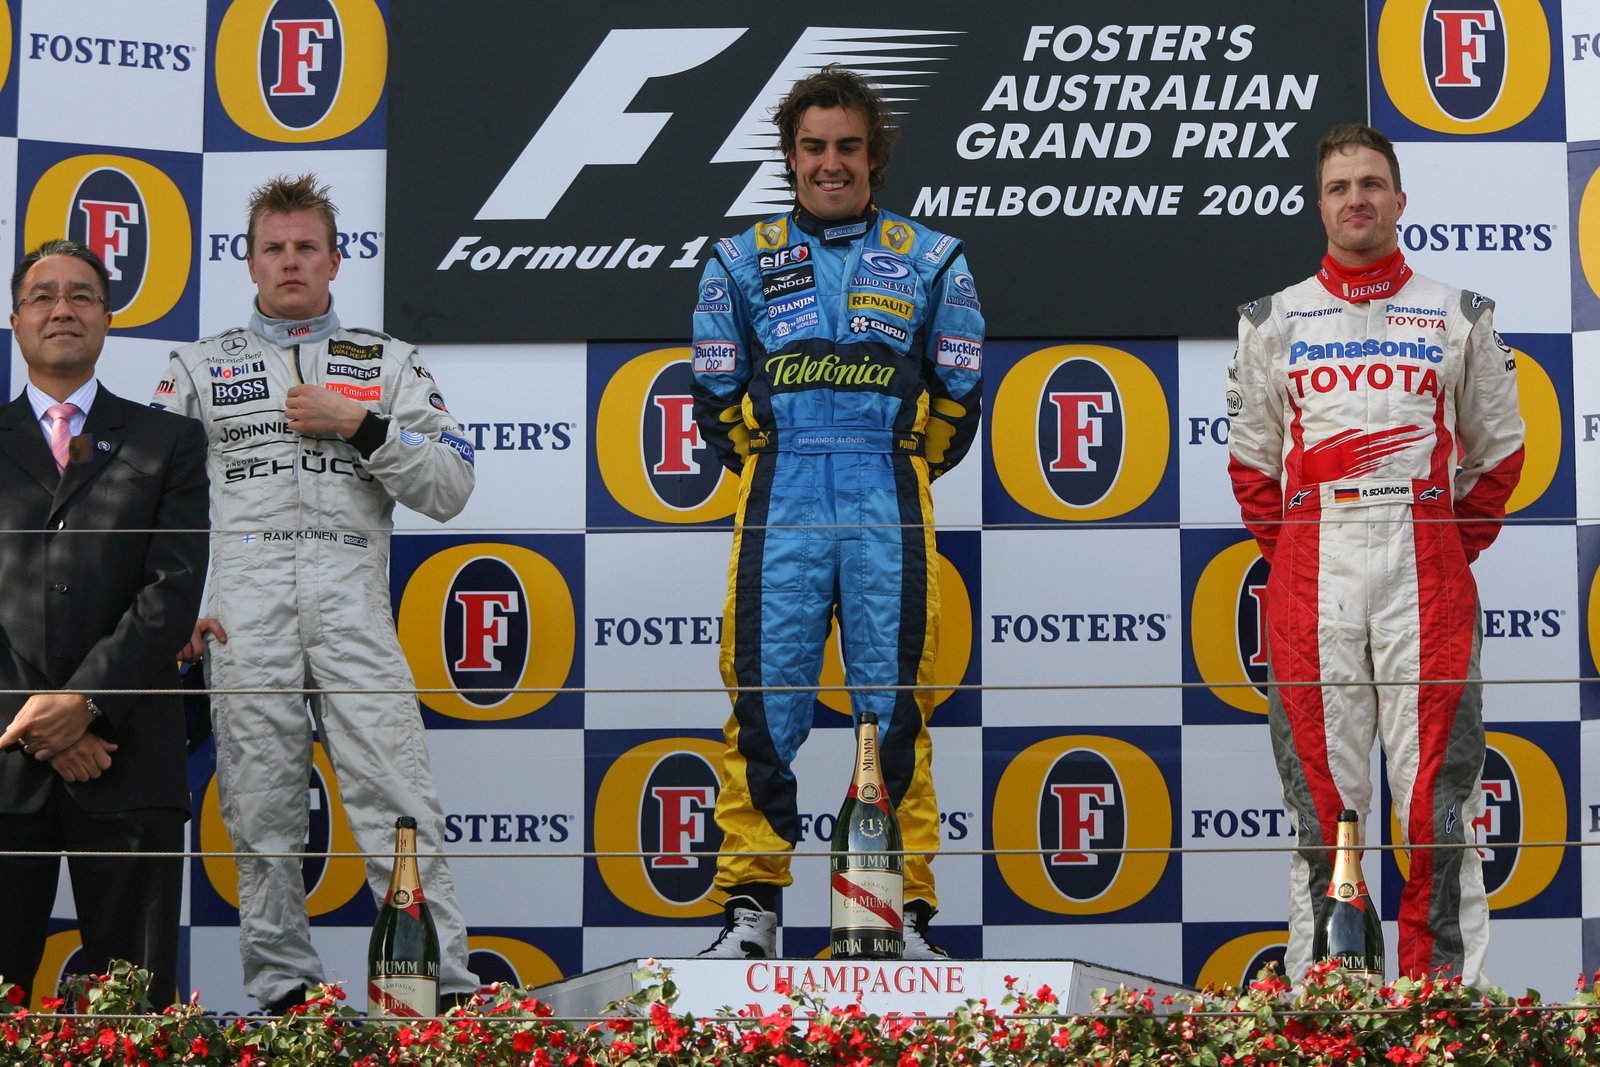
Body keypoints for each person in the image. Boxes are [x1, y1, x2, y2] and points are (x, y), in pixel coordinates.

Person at [153, 175, 478, 1013]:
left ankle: (433, 992)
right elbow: (154, 501)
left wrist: (360, 424)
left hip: (351, 595)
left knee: (399, 798)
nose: (291, 261)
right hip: (243, 606)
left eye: (307, 247)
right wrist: (179, 605)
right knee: (260, 810)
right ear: (249, 261)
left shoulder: (388, 360)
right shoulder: (197, 366)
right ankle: (285, 993)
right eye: (275, 247)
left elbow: (450, 485)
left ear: (336, 260)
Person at [691, 66, 983, 959]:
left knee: (895, 712)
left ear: (874, 155)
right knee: (762, 707)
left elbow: (959, 394)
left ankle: (899, 912)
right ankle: (751, 910)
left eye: (848, 147)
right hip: (779, 497)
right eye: (814, 147)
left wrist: (897, 462)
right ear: (790, 155)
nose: (831, 163)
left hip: (885, 497)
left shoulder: (934, 257)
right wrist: (777, 460)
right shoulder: (737, 260)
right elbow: (716, 398)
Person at [1226, 124, 1524, 984]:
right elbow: (1253, 469)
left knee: (1437, 805)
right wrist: (1300, 553)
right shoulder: (1272, 320)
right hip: (1311, 579)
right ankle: (1333, 1005)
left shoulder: (1458, 313)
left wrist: (1442, 548)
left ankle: (1442, 1009)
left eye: (1370, 183)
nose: (1355, 198)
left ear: (1399, 199)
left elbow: (1498, 455)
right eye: (1338, 186)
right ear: (1319, 205)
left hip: (1424, 576)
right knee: (1324, 807)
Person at [0, 240, 208, 1006]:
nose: (63, 309)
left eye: (82, 295)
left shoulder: (168, 440)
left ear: (108, 318)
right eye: (43, 295)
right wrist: (47, 723)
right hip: (6, 756)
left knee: (135, 1015)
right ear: (16, 319)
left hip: (128, 756)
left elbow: (171, 591)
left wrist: (87, 705)